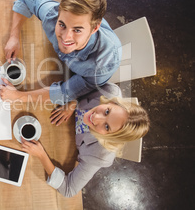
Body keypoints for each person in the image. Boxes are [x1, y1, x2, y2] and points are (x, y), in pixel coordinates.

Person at [20, 83, 150, 197]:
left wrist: (42, 155)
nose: (96, 118)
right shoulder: (110, 91)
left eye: (106, 127)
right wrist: (73, 102)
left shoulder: (101, 155)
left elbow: (69, 189)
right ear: (112, 102)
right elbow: (82, 84)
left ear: (111, 138)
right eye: (107, 111)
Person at [0, 0, 121, 106]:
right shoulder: (51, 15)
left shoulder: (103, 64)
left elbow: (66, 93)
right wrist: (14, 37)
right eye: (62, 25)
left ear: (95, 28)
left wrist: (18, 96)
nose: (66, 37)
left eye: (77, 30)